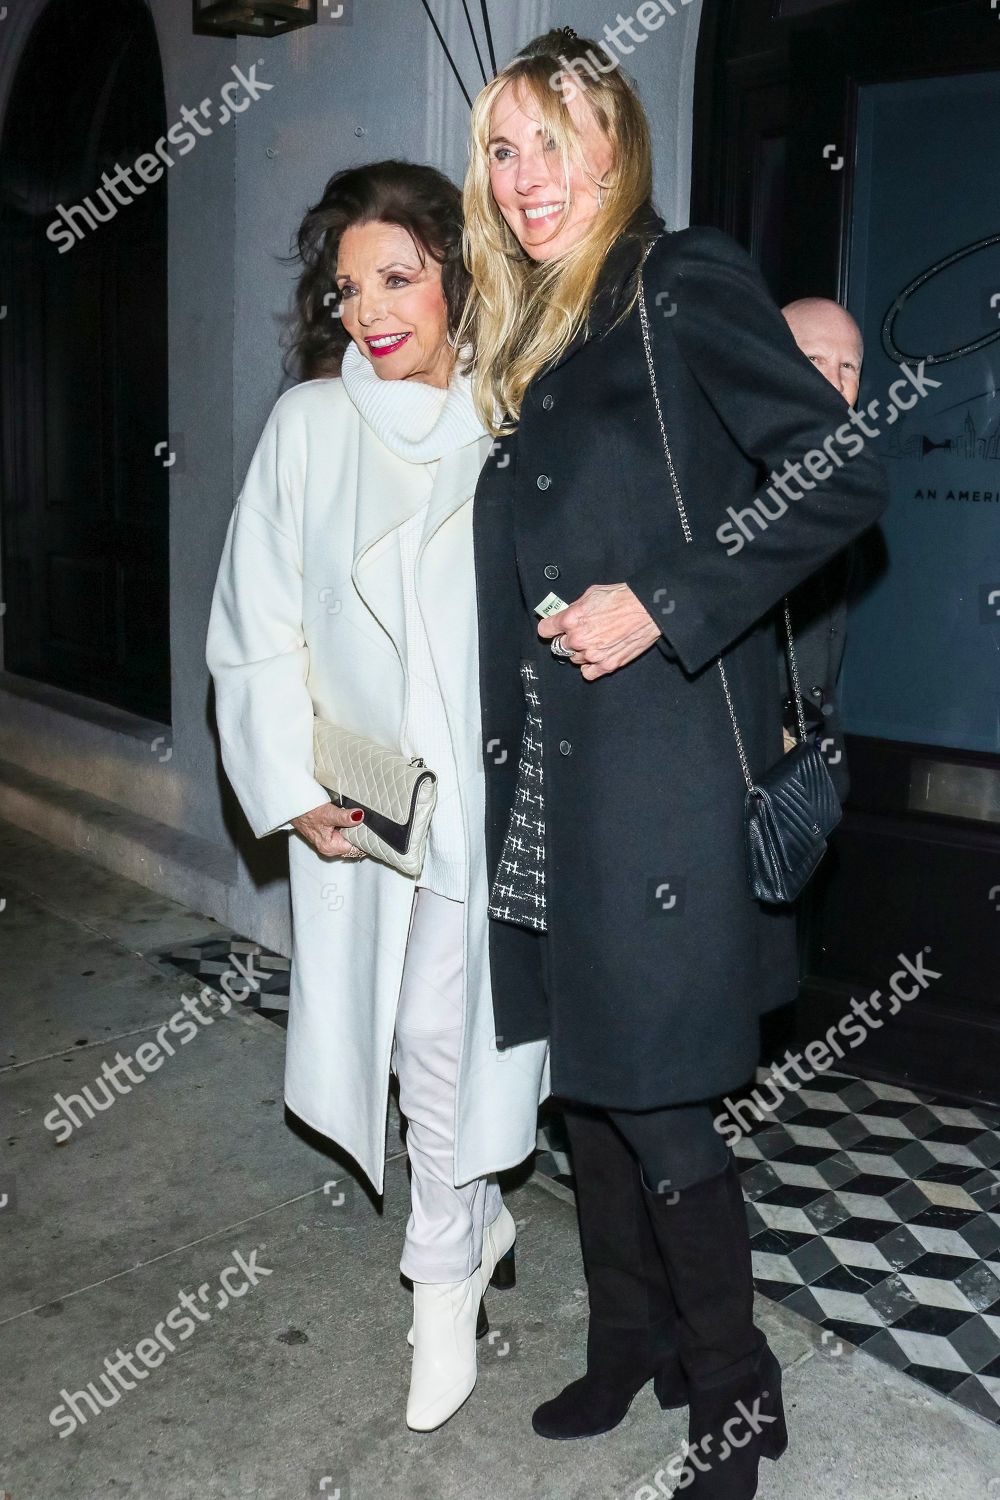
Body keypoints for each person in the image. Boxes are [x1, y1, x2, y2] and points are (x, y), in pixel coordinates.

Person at [458, 28, 887, 1498]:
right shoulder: (552, 330)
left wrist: (670, 603)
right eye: (503, 149)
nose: (526, 178)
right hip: (561, 779)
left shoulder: (677, 280)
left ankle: (737, 1390)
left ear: (615, 142)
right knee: (593, 1082)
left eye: (553, 142)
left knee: (658, 1099)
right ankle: (628, 1340)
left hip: (660, 778)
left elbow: (845, 472)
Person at [205, 159, 549, 1433]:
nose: (370, 313)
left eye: (397, 278)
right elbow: (254, 630)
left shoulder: (516, 417)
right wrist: (293, 791)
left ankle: (440, 1278)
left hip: (495, 799)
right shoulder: (308, 426)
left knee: (454, 1047)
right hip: (366, 805)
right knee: (409, 1045)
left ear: (459, 279)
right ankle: (471, 1217)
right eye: (348, 290)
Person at [780, 298, 866, 794]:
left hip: (805, 771)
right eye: (813, 359)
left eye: (847, 366)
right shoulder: (720, 470)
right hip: (732, 770)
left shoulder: (842, 478)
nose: (833, 382)